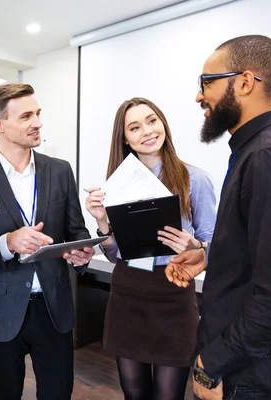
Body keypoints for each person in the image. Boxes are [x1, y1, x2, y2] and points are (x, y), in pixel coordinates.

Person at [165, 35, 271, 400]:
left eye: (207, 83)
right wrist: (212, 256)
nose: (199, 96)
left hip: (259, 375)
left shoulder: (269, 156)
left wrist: (210, 364)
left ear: (245, 82)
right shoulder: (258, 151)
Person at [0, 83, 94, 400]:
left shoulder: (60, 171)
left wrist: (81, 252)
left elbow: (77, 232)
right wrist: (7, 243)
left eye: (38, 113)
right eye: (27, 116)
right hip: (1, 311)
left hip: (54, 310)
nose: (38, 122)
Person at [85, 97, 217, 400]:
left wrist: (195, 245)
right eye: (135, 127)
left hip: (173, 293)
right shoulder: (116, 184)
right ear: (125, 139)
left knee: (168, 395)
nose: (147, 130)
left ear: (163, 125)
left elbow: (215, 246)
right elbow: (114, 253)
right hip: (128, 292)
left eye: (152, 120)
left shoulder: (194, 179)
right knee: (134, 393)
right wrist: (102, 223)